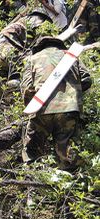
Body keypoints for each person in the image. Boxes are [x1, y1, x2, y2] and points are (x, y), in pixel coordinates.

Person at [20, 36, 91, 170]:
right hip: (69, 110)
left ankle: (32, 183)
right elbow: (87, 80)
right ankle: (68, 186)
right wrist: (74, 94)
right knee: (68, 156)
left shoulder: (32, 59)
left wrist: (30, 109)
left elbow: (27, 88)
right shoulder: (71, 57)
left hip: (41, 109)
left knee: (32, 152)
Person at [0, 9, 53, 87]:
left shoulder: (20, 22)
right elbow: (43, 36)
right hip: (9, 53)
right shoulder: (36, 18)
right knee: (35, 64)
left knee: (7, 90)